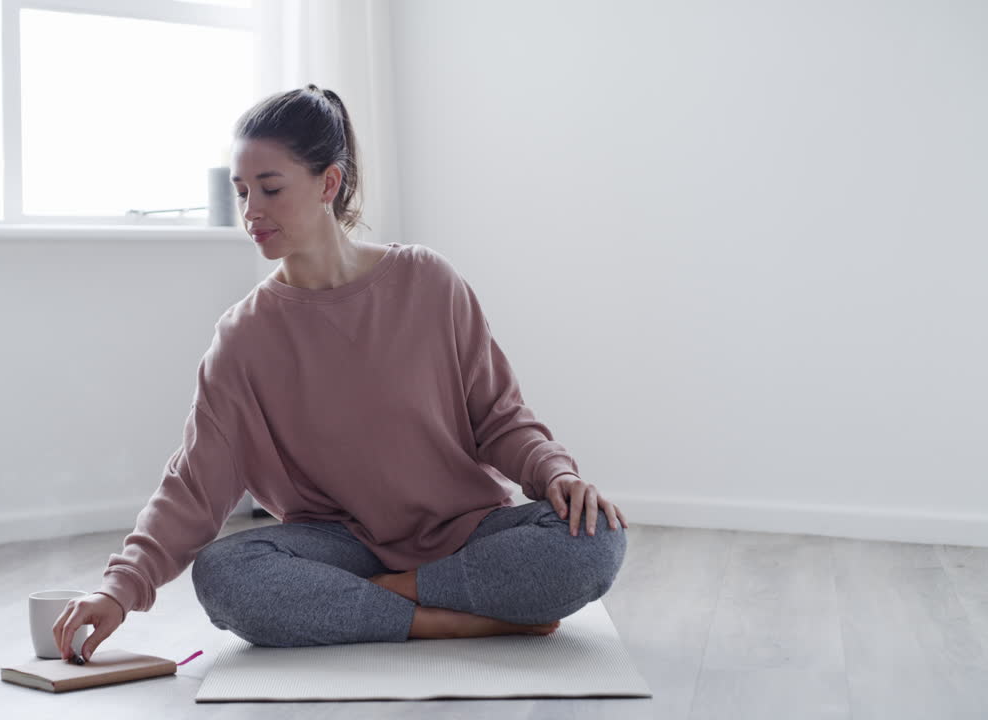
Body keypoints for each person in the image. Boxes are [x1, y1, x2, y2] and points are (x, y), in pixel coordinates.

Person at [54, 84, 628, 658]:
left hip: (465, 533)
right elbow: (194, 485)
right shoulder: (243, 337)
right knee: (224, 574)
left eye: (271, 188)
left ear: (328, 183)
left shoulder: (427, 281)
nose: (251, 211)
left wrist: (555, 474)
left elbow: (500, 418)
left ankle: (397, 597)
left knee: (598, 536)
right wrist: (120, 588)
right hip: (343, 548)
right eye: (242, 191)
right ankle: (448, 619)